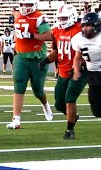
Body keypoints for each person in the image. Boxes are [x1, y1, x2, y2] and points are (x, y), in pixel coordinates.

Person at [39, 5, 87, 139]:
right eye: (59, 18)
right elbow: (57, 51)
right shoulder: (56, 31)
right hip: (63, 71)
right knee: (59, 104)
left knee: (70, 98)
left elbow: (87, 50)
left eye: (64, 18)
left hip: (78, 71)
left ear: (72, 17)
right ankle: (73, 117)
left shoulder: (80, 30)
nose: (61, 21)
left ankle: (69, 130)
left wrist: (80, 65)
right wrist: (46, 60)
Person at [6, 0, 53, 129]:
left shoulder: (39, 17)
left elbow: (49, 36)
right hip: (21, 56)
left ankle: (45, 105)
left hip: (37, 57)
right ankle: (16, 120)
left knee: (38, 90)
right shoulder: (18, 16)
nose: (24, 7)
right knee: (19, 84)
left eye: (27, 5)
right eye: (22, 4)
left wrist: (32, 35)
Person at [73, 12, 101, 119]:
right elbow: (77, 57)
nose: (85, 28)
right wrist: (76, 71)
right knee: (97, 110)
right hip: (93, 75)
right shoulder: (78, 39)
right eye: (84, 26)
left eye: (88, 25)